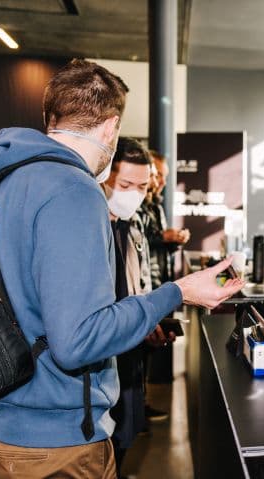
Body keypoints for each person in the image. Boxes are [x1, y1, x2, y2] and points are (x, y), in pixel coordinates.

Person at [0, 59, 243, 478]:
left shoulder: (3, 177)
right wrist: (178, 292)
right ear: (111, 127)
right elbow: (77, 341)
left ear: (49, 118)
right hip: (52, 444)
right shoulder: (73, 190)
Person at [103, 137, 172, 475]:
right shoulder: (88, 226)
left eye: (143, 187)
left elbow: (138, 284)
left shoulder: (134, 225)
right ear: (105, 177)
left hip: (129, 354)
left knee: (126, 434)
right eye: (126, 184)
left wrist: (150, 321)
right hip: (100, 362)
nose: (134, 194)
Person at [142, 150, 190, 290]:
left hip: (161, 280)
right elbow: (133, 244)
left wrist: (175, 240)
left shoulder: (156, 207)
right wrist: (163, 236)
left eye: (164, 177)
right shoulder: (133, 206)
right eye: (158, 175)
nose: (162, 182)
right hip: (145, 284)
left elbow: (161, 248)